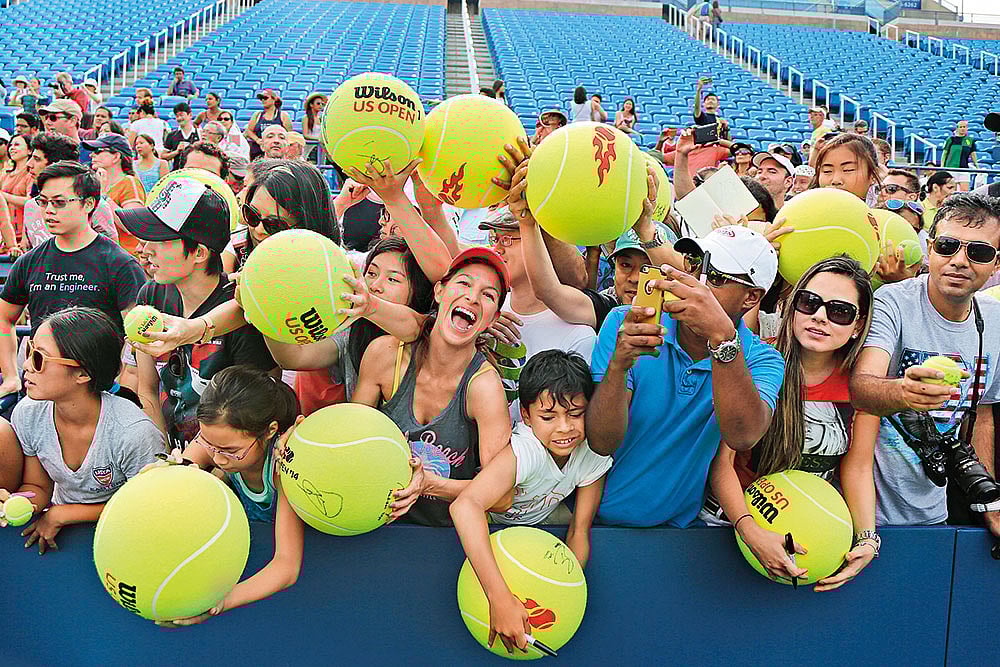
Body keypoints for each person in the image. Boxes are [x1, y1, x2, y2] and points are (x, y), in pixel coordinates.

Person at [586, 225, 785, 527]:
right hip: (592, 524)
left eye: (715, 278)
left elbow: (743, 435)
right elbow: (602, 442)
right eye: (694, 265)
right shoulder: (627, 322)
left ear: (751, 297)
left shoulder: (762, 358)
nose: (696, 283)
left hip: (677, 534)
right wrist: (618, 367)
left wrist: (723, 339)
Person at [707, 256, 880, 589]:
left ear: (858, 325)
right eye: (809, 302)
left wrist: (867, 538)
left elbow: (857, 468)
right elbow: (722, 464)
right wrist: (751, 531)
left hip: (808, 541)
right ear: (792, 305)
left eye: (839, 311)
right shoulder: (756, 361)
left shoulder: (861, 385)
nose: (819, 317)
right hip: (725, 531)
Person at [850, 193, 1000, 539]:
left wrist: (988, 499)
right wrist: (904, 391)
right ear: (929, 248)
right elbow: (861, 387)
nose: (959, 261)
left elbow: (984, 414)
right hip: (865, 510)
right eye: (947, 246)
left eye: (978, 252)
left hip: (935, 511)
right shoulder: (893, 301)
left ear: (996, 263)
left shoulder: (994, 323)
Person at [450, 350, 611, 652]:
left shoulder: (591, 453)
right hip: (496, 529)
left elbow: (579, 532)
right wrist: (499, 600)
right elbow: (465, 506)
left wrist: (558, 595)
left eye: (575, 414)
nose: (564, 428)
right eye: (548, 417)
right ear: (525, 415)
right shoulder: (526, 450)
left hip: (542, 531)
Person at [352, 248, 513, 526]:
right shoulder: (385, 355)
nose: (472, 298)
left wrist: (429, 484)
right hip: (375, 524)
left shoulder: (484, 387)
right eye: (464, 283)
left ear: (493, 319)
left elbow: (502, 497)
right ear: (439, 292)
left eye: (488, 295)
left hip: (443, 536)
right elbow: (348, 442)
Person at [122, 177, 277, 449]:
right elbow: (147, 387)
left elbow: (250, 415)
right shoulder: (151, 296)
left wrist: (191, 465)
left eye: (160, 239)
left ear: (199, 253)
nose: (146, 250)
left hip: (223, 462)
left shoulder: (240, 311)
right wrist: (161, 455)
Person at [1, 307, 163, 554]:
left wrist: (65, 513)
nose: (26, 365)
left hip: (127, 537)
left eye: (39, 358)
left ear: (82, 373)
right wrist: (20, 503)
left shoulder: (134, 433)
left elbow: (148, 508)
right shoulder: (29, 413)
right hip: (66, 535)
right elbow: (38, 486)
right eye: (30, 350)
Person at [154, 370, 306, 628]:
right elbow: (183, 467)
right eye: (209, 444)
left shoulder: (284, 470)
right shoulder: (217, 442)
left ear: (270, 431)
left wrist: (218, 603)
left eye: (230, 451)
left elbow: (286, 566)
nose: (218, 458)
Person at [0, 162, 145, 399]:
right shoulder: (29, 261)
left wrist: (123, 383)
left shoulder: (119, 262)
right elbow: (4, 318)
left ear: (89, 204)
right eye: (43, 202)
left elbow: (137, 337)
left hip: (101, 393)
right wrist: (10, 376)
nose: (48, 210)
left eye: (59, 202)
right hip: (40, 391)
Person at [262, 235, 433, 413]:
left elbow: (414, 327)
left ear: (417, 290)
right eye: (372, 273)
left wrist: (372, 307)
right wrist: (264, 311)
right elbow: (294, 358)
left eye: (392, 279)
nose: (375, 285)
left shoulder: (431, 333)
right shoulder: (352, 328)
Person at [20, 134, 119, 249]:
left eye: (37, 159)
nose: (29, 164)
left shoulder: (94, 206)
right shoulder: (31, 206)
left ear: (56, 165)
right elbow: (26, 247)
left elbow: (112, 253)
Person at [84, 134, 146, 255]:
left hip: (126, 257)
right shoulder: (97, 183)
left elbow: (133, 227)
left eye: (98, 151)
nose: (92, 155)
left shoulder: (129, 182)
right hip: (102, 255)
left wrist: (103, 196)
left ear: (116, 156)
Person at [809, 132, 881, 203]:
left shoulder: (883, 214)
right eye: (827, 171)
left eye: (848, 170)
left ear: (873, 174)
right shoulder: (803, 211)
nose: (836, 181)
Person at [1, 133, 32, 249]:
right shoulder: (5, 175)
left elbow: (31, 202)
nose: (12, 148)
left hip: (25, 237)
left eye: (17, 144)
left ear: (29, 150)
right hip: (7, 237)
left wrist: (3, 195)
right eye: (11, 145)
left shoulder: (31, 174)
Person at [245, 89, 292, 160]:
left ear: (274, 100)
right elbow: (249, 130)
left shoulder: (283, 115)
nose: (263, 100)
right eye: (261, 99)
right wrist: (257, 140)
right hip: (258, 151)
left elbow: (289, 133)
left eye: (266, 98)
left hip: (276, 151)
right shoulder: (257, 115)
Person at [941, 120, 977, 191]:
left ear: (967, 128)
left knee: (965, 192)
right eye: (960, 127)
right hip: (951, 168)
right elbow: (944, 153)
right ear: (957, 128)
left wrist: (977, 165)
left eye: (964, 127)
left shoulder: (970, 140)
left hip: (964, 168)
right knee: (951, 192)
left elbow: (973, 154)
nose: (962, 128)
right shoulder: (950, 139)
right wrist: (942, 166)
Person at [162, 102, 199, 171]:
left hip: (196, 172)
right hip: (177, 173)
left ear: (190, 115)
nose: (179, 118)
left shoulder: (200, 133)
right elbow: (163, 156)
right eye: (177, 116)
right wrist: (176, 152)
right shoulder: (172, 135)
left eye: (181, 115)